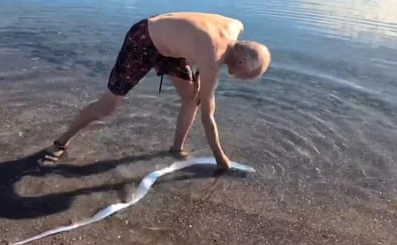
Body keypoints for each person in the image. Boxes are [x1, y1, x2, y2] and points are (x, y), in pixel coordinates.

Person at [41, 11, 271, 173]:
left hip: (172, 48)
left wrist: (198, 70)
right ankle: (60, 142)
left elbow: (199, 37)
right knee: (109, 106)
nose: (241, 79)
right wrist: (221, 159)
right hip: (144, 38)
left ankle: (176, 148)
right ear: (240, 61)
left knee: (192, 97)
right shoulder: (212, 59)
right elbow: (208, 118)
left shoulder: (236, 25)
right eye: (246, 76)